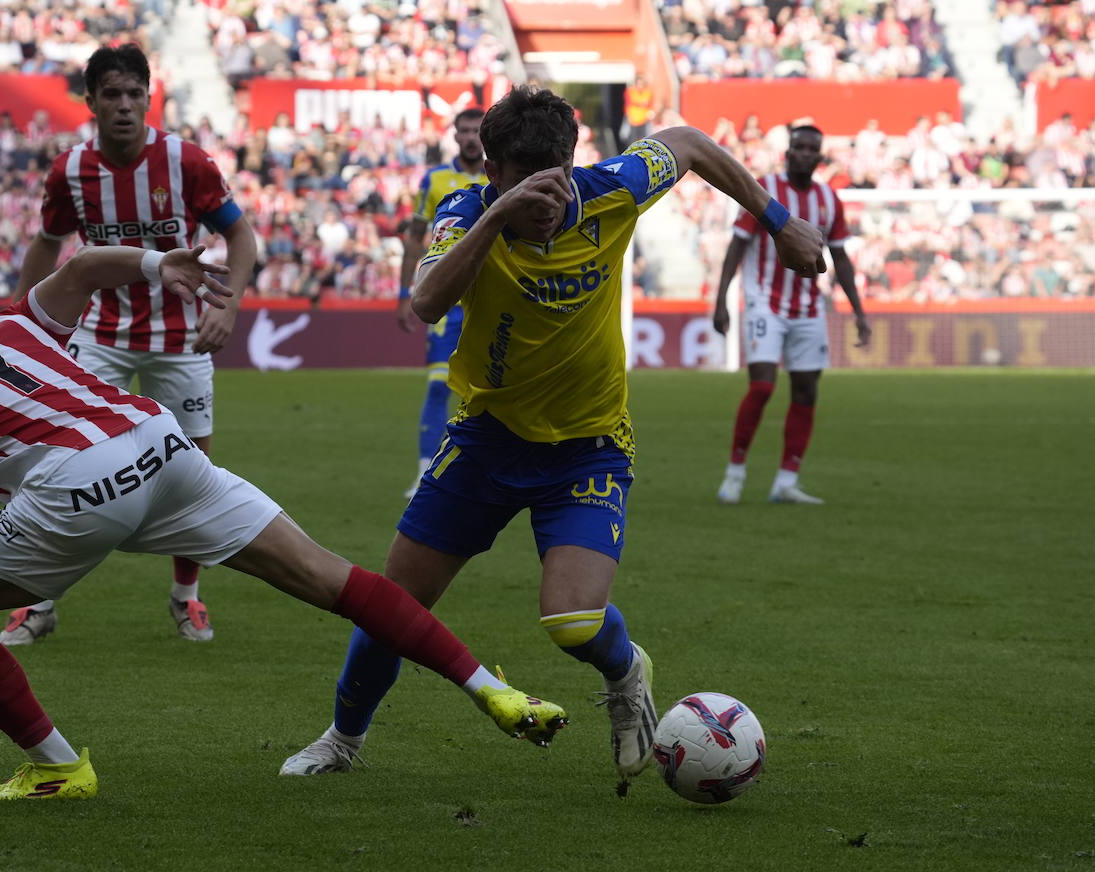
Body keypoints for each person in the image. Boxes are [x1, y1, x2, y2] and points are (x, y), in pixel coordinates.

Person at [0, 243, 568, 801]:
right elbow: (81, 266)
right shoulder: (1, 329)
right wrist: (159, 265)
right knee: (333, 577)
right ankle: (494, 690)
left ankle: (54, 767)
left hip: (78, 488)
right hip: (163, 445)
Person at [280, 86, 826, 780]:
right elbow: (425, 301)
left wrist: (779, 221)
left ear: (572, 165)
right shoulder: (465, 211)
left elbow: (687, 142)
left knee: (571, 622)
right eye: (521, 185)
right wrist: (497, 216)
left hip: (587, 447)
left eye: (554, 182)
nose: (544, 202)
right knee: (394, 605)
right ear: (492, 173)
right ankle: (343, 741)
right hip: (486, 441)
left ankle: (627, 676)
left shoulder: (612, 190)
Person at [5, 44, 257, 646]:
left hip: (180, 337)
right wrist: (19, 319)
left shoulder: (186, 162)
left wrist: (232, 306)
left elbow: (240, 235)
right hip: (100, 334)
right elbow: (47, 242)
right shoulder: (69, 170)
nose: (124, 106)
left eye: (134, 94)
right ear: (90, 100)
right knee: (57, 458)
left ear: (150, 97)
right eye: (111, 94)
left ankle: (186, 597)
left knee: (193, 466)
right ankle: (36, 601)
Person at [712, 124, 870, 506]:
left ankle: (786, 480)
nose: (802, 153)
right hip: (765, 300)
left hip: (809, 308)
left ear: (819, 156)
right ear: (787, 152)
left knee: (806, 392)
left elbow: (842, 259)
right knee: (763, 386)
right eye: (796, 146)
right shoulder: (764, 191)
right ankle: (735, 472)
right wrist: (720, 300)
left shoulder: (829, 200)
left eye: (810, 148)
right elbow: (737, 246)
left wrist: (859, 312)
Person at [396, 107, 486, 499]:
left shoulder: (504, 176)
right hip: (449, 301)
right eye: (464, 130)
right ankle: (424, 474)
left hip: (490, 297)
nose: (470, 137)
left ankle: (485, 475)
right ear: (454, 135)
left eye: (476, 131)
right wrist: (405, 294)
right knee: (437, 387)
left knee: (485, 391)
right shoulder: (434, 181)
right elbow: (416, 238)